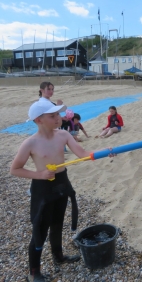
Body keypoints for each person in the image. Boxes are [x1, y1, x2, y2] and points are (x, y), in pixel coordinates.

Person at [10, 100, 114, 282]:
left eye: (58, 114)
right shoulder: (30, 143)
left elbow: (83, 154)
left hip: (62, 183)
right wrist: (40, 174)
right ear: (38, 120)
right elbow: (15, 169)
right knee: (40, 228)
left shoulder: (64, 136)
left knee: (57, 222)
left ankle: (58, 256)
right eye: (53, 116)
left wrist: (105, 151)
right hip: (42, 187)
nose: (58, 118)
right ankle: (33, 272)